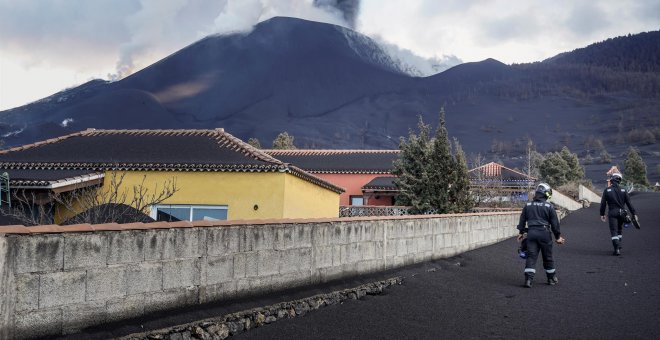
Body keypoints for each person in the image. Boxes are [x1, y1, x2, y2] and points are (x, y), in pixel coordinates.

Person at [517, 182, 565, 288]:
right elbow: (555, 225)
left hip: (531, 233)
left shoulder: (528, 205)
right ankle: (551, 279)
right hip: (544, 234)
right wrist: (558, 237)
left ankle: (528, 280)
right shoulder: (549, 206)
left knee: (531, 257)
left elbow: (522, 220)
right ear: (546, 194)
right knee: (547, 257)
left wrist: (521, 232)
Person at [599, 172, 637, 256]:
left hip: (612, 212)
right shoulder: (624, 190)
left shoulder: (607, 190)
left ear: (612, 180)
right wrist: (634, 213)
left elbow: (603, 204)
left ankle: (616, 249)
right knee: (619, 230)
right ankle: (618, 246)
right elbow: (629, 203)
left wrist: (602, 214)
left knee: (614, 231)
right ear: (619, 180)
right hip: (622, 213)